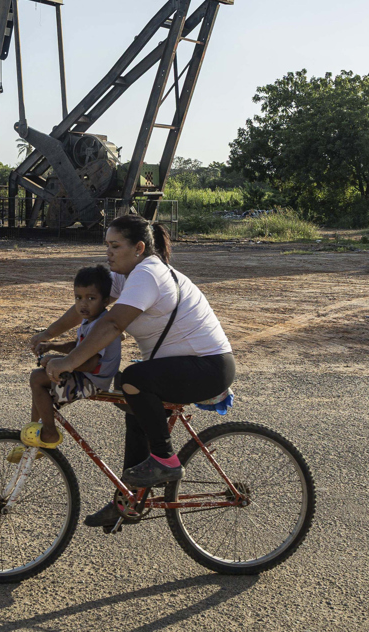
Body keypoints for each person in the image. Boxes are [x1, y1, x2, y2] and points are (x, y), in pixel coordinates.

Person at [27, 214, 234, 528]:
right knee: (131, 395)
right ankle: (130, 499)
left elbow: (112, 323)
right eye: (106, 245)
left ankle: (166, 459)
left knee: (136, 379)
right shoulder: (127, 275)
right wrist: (48, 335)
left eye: (115, 246)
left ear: (139, 248)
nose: (107, 253)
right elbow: (90, 307)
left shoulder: (148, 274)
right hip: (187, 366)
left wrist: (68, 363)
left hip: (208, 366)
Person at [10, 265, 121, 463]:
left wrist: (57, 361)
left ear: (106, 301)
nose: (83, 304)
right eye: (78, 298)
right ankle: (35, 435)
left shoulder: (102, 324)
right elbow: (76, 347)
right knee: (40, 381)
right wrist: (51, 346)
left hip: (93, 380)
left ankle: (49, 434)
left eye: (91, 298)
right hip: (86, 375)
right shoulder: (91, 320)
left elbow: (90, 363)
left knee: (37, 378)